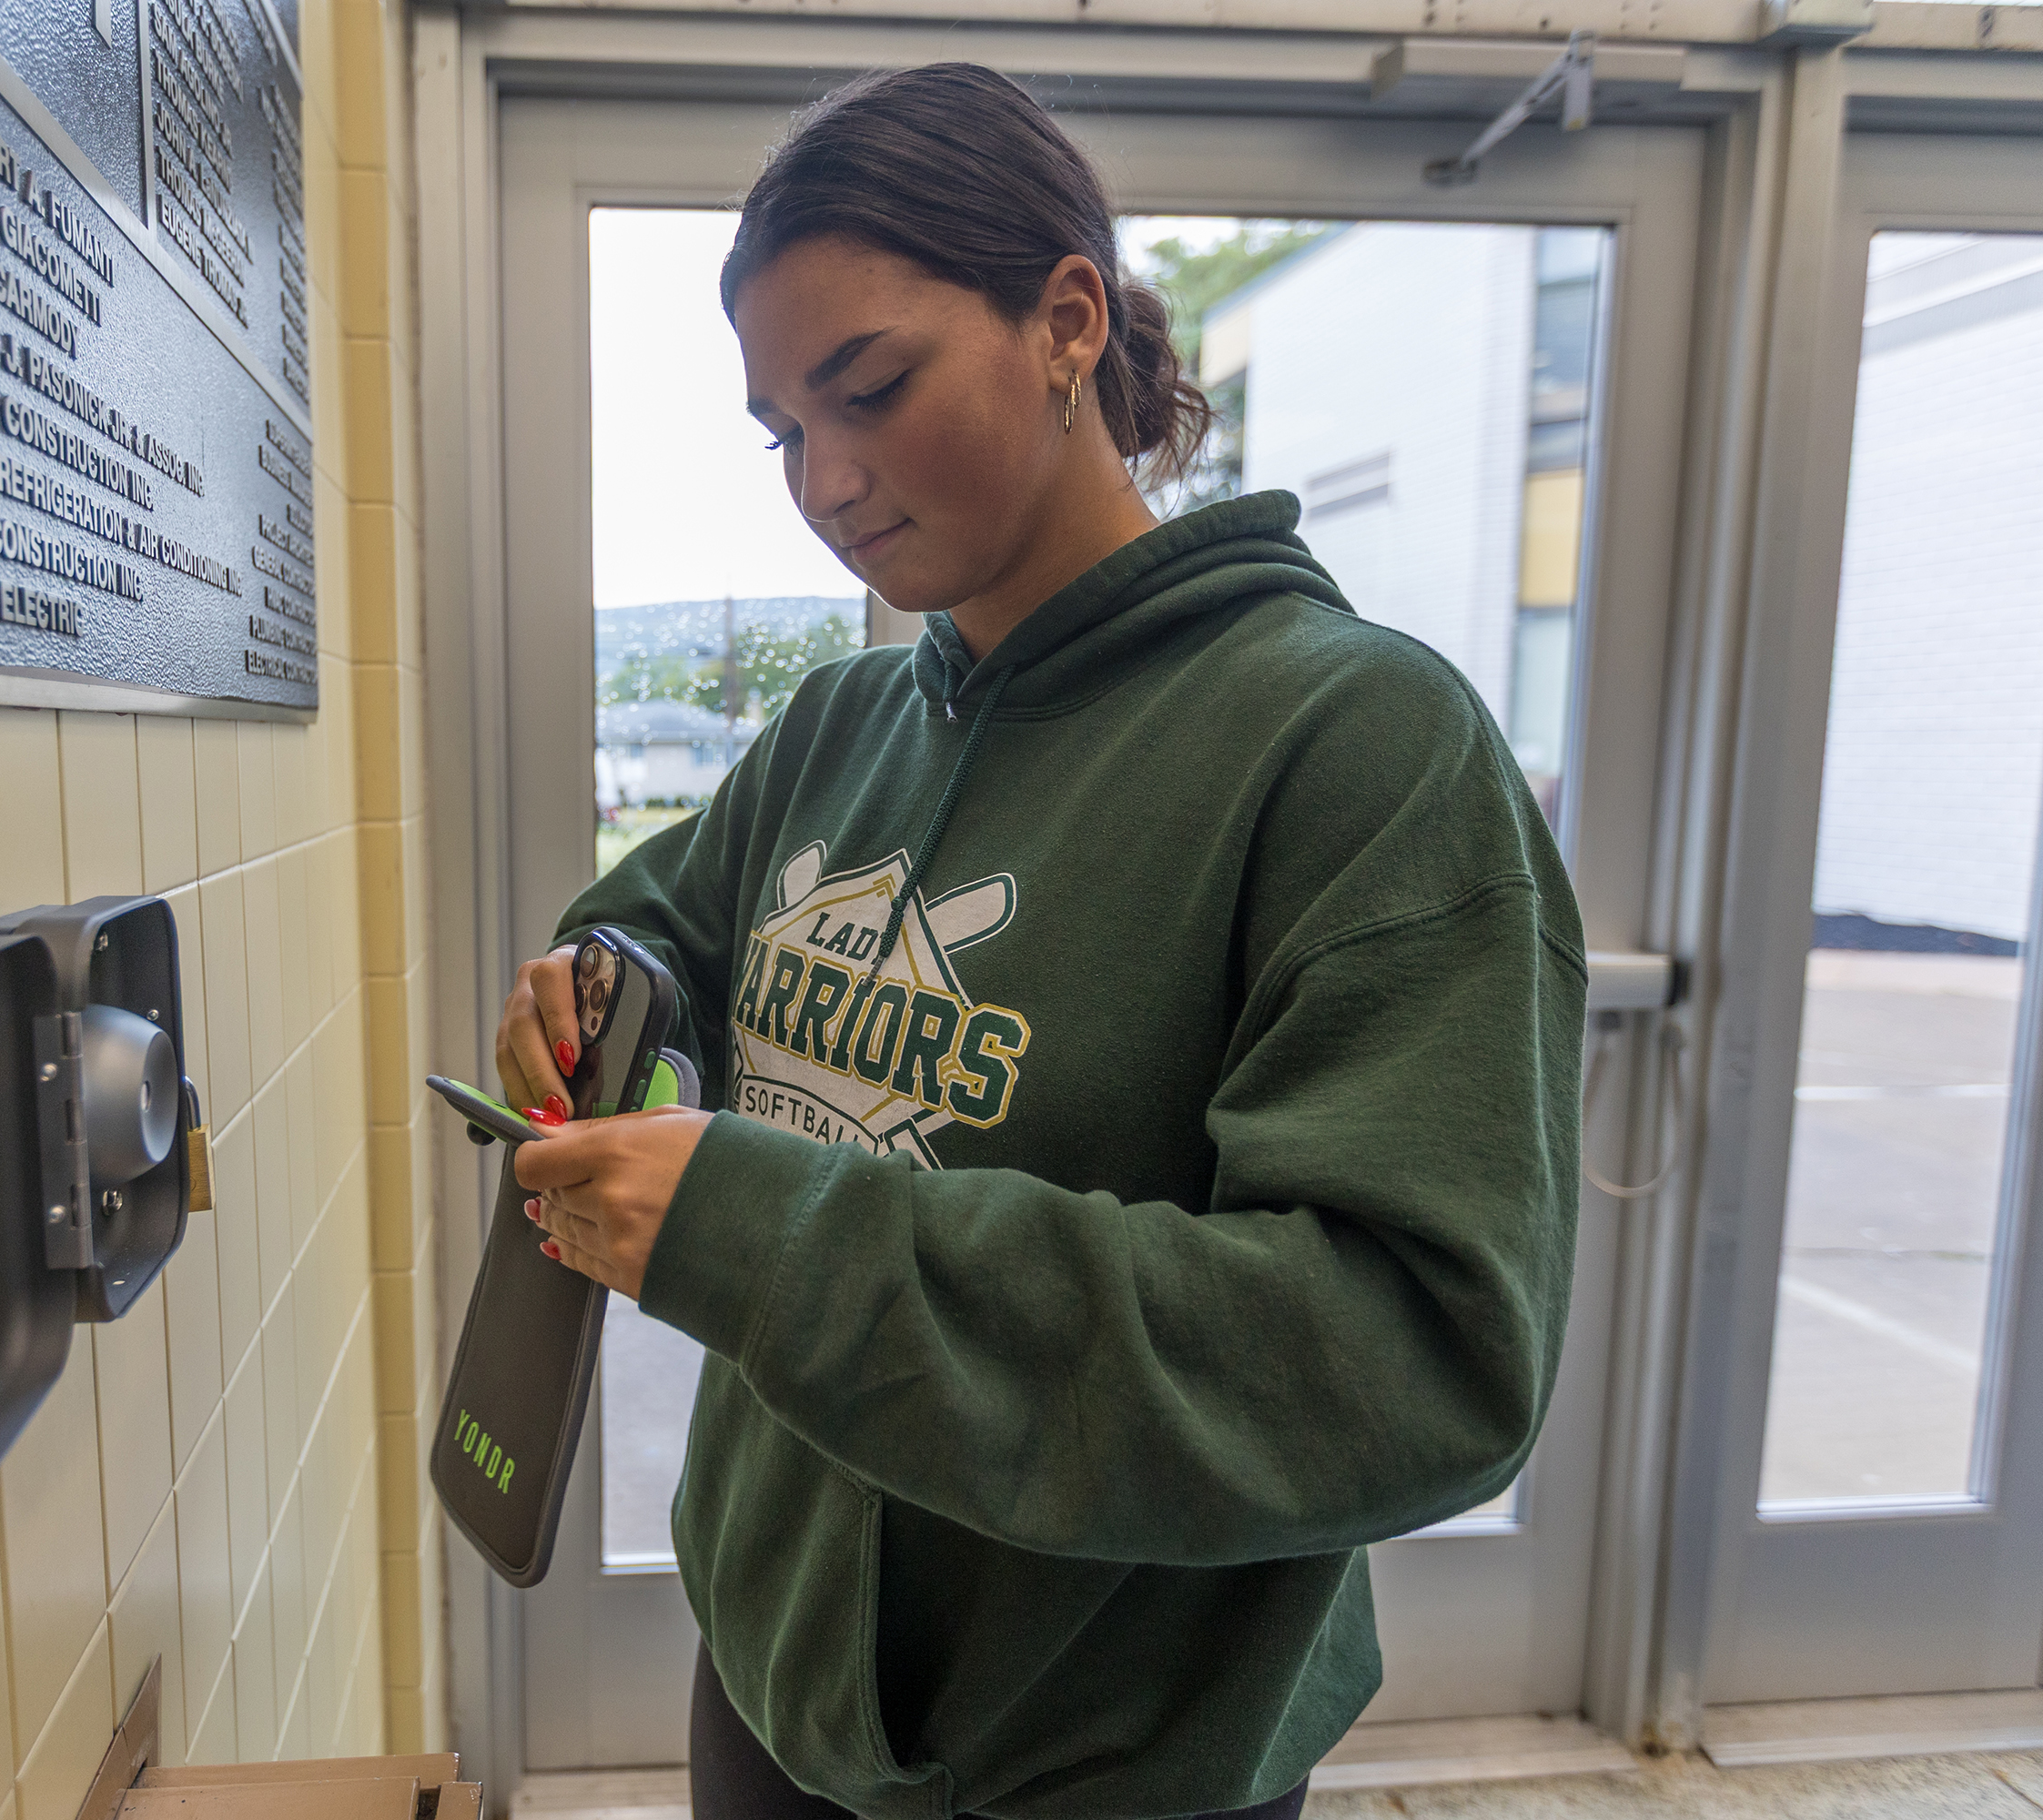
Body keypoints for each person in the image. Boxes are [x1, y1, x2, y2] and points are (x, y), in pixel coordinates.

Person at [503, 62, 1585, 1820]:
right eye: (783, 432)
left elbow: (1412, 1353)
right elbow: (671, 925)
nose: (827, 480)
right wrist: (607, 990)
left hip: (1112, 1755)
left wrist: (768, 1238)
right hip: (770, 1679)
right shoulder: (835, 726)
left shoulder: (1358, 751)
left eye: (870, 387)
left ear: (1068, 318)